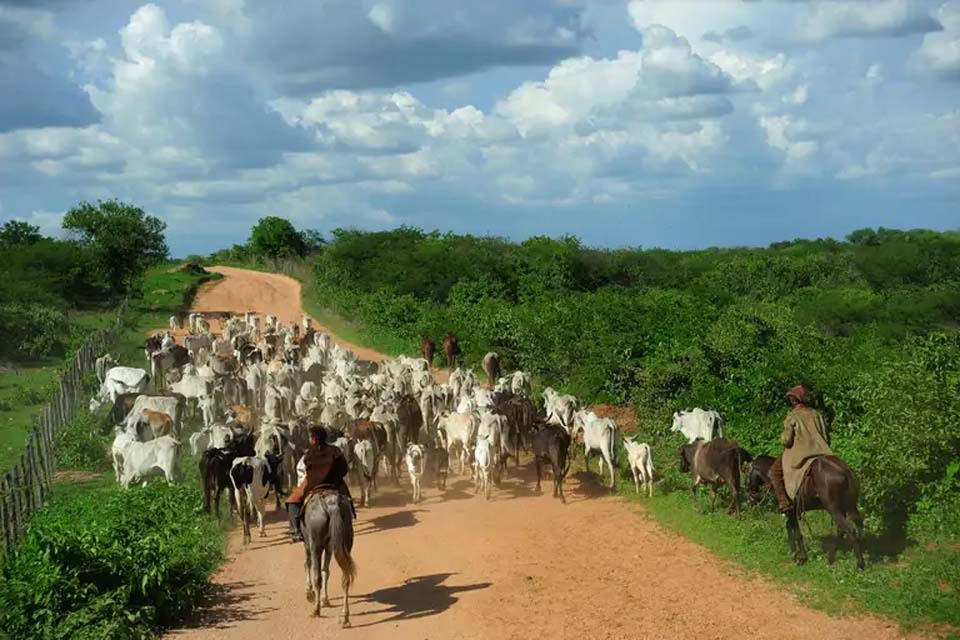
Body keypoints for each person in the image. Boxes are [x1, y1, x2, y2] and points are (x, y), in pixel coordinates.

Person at [769, 384, 834, 514]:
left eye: (791, 398)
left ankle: (784, 503)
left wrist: (782, 437)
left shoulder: (792, 416)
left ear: (794, 400)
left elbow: (786, 441)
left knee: (774, 471)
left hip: (801, 453)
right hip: (823, 452)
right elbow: (826, 437)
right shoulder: (817, 414)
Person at [285, 425, 352, 542]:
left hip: (314, 484)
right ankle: (350, 518)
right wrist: (335, 477)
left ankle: (295, 531)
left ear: (314, 439)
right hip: (334, 483)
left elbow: (306, 470)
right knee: (347, 499)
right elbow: (344, 469)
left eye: (310, 437)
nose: (309, 440)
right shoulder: (335, 450)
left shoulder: (309, 454)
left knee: (292, 501)